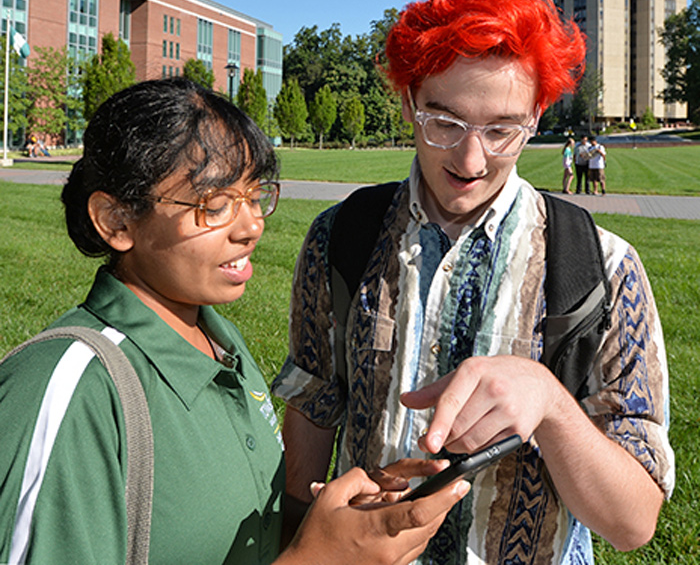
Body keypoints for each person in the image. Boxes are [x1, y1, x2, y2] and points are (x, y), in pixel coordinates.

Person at [272, 0, 674, 564]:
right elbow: (313, 404)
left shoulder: (603, 269)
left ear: (536, 117)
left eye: (501, 130)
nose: (470, 158)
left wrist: (549, 402)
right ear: (410, 100)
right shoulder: (341, 237)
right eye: (445, 122)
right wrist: (296, 543)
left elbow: (634, 521)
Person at [0, 78, 468, 565]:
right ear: (117, 221)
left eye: (254, 195)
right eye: (215, 205)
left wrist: (333, 526)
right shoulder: (72, 390)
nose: (251, 227)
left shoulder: (222, 343)